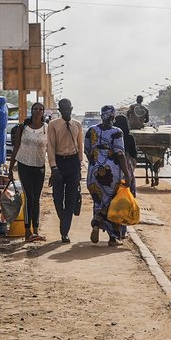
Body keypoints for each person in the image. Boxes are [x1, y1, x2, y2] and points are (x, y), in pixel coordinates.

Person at [85, 106, 130, 246]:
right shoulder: (116, 132)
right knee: (112, 202)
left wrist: (97, 161)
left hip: (93, 171)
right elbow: (120, 154)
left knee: (98, 200)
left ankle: (96, 223)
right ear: (113, 117)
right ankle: (113, 237)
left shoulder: (92, 130)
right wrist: (127, 174)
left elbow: (87, 151)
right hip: (111, 172)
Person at [46, 98, 85, 244]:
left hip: (73, 163)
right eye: (63, 109)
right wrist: (53, 166)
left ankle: (64, 232)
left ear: (72, 108)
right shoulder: (53, 125)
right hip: (59, 162)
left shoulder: (77, 125)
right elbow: (50, 146)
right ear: (60, 110)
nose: (66, 111)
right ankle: (65, 221)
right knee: (57, 198)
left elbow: (80, 146)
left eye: (68, 108)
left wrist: (79, 165)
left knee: (70, 198)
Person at [11, 102, 50, 243]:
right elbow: (16, 148)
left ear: (43, 112)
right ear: (31, 111)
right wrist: (10, 168)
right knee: (29, 197)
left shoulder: (47, 128)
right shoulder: (23, 128)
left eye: (40, 109)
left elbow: (50, 148)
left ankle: (36, 230)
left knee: (37, 198)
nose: (38, 111)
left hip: (39, 166)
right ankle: (27, 231)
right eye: (35, 109)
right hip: (24, 164)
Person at [113, 112, 139, 195]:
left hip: (111, 166)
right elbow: (134, 154)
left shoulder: (111, 135)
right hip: (126, 167)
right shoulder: (129, 137)